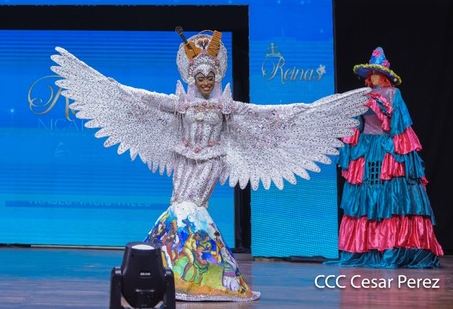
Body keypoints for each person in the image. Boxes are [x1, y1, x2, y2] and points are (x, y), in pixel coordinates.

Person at [50, 28, 370, 301]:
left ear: (217, 77)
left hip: (211, 162)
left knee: (192, 209)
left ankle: (204, 277)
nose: (205, 82)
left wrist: (312, 113)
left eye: (210, 77)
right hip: (184, 159)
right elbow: (137, 98)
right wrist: (105, 87)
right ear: (192, 77)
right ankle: (169, 273)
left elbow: (277, 116)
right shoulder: (179, 104)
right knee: (178, 208)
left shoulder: (226, 108)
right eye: (200, 77)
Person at [329, 47, 443, 267]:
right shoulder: (363, 96)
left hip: (386, 147)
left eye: (377, 73)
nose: (373, 77)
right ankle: (367, 246)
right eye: (371, 73)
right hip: (366, 148)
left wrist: (397, 146)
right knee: (365, 198)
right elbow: (356, 124)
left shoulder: (392, 95)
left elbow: (398, 123)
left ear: (384, 76)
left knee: (392, 194)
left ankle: (393, 246)